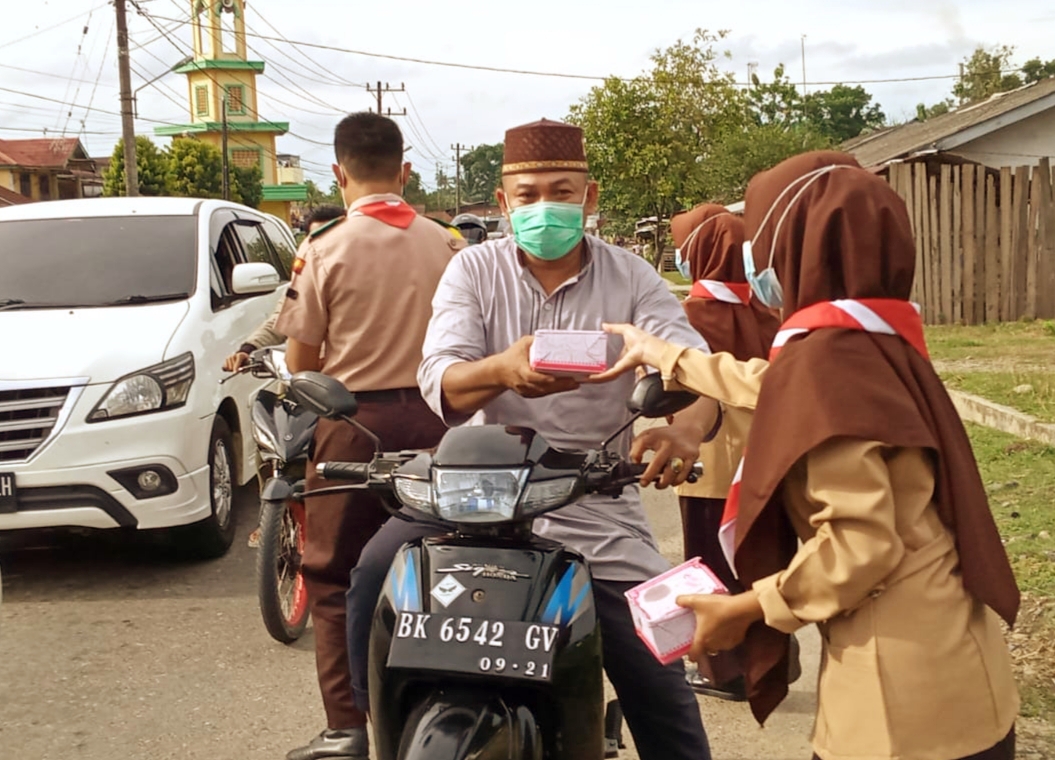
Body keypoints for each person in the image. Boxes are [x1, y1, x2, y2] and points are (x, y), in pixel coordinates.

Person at [598, 151, 1021, 760]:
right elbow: (782, 387)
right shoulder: (876, 340)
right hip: (958, 663)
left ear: (793, 246)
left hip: (897, 705)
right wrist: (669, 357)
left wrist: (745, 609)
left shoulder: (830, 363)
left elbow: (860, 545)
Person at [346, 119, 719, 760]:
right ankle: (367, 731)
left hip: (592, 492)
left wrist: (684, 430)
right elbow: (440, 378)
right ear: (503, 203)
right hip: (471, 494)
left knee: (656, 669)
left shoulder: (633, 280)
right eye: (528, 195)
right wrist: (503, 370)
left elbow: (697, 369)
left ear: (589, 197)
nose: (545, 206)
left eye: (562, 191)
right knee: (373, 576)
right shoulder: (470, 271)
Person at [275, 112, 465, 760]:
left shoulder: (323, 249)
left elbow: (301, 365)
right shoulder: (449, 245)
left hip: (353, 430)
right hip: (445, 427)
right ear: (405, 170)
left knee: (331, 579)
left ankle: (349, 729)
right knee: (450, 564)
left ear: (338, 171)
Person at [665, 204, 781, 702]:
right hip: (763, 463)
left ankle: (721, 670)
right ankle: (766, 667)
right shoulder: (765, 312)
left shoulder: (688, 315)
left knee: (708, 562)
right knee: (758, 564)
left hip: (709, 466)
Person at [222, 205, 345, 374]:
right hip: (312, 384)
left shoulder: (361, 279)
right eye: (317, 238)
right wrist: (247, 349)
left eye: (331, 238)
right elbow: (280, 321)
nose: (323, 247)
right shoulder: (305, 279)